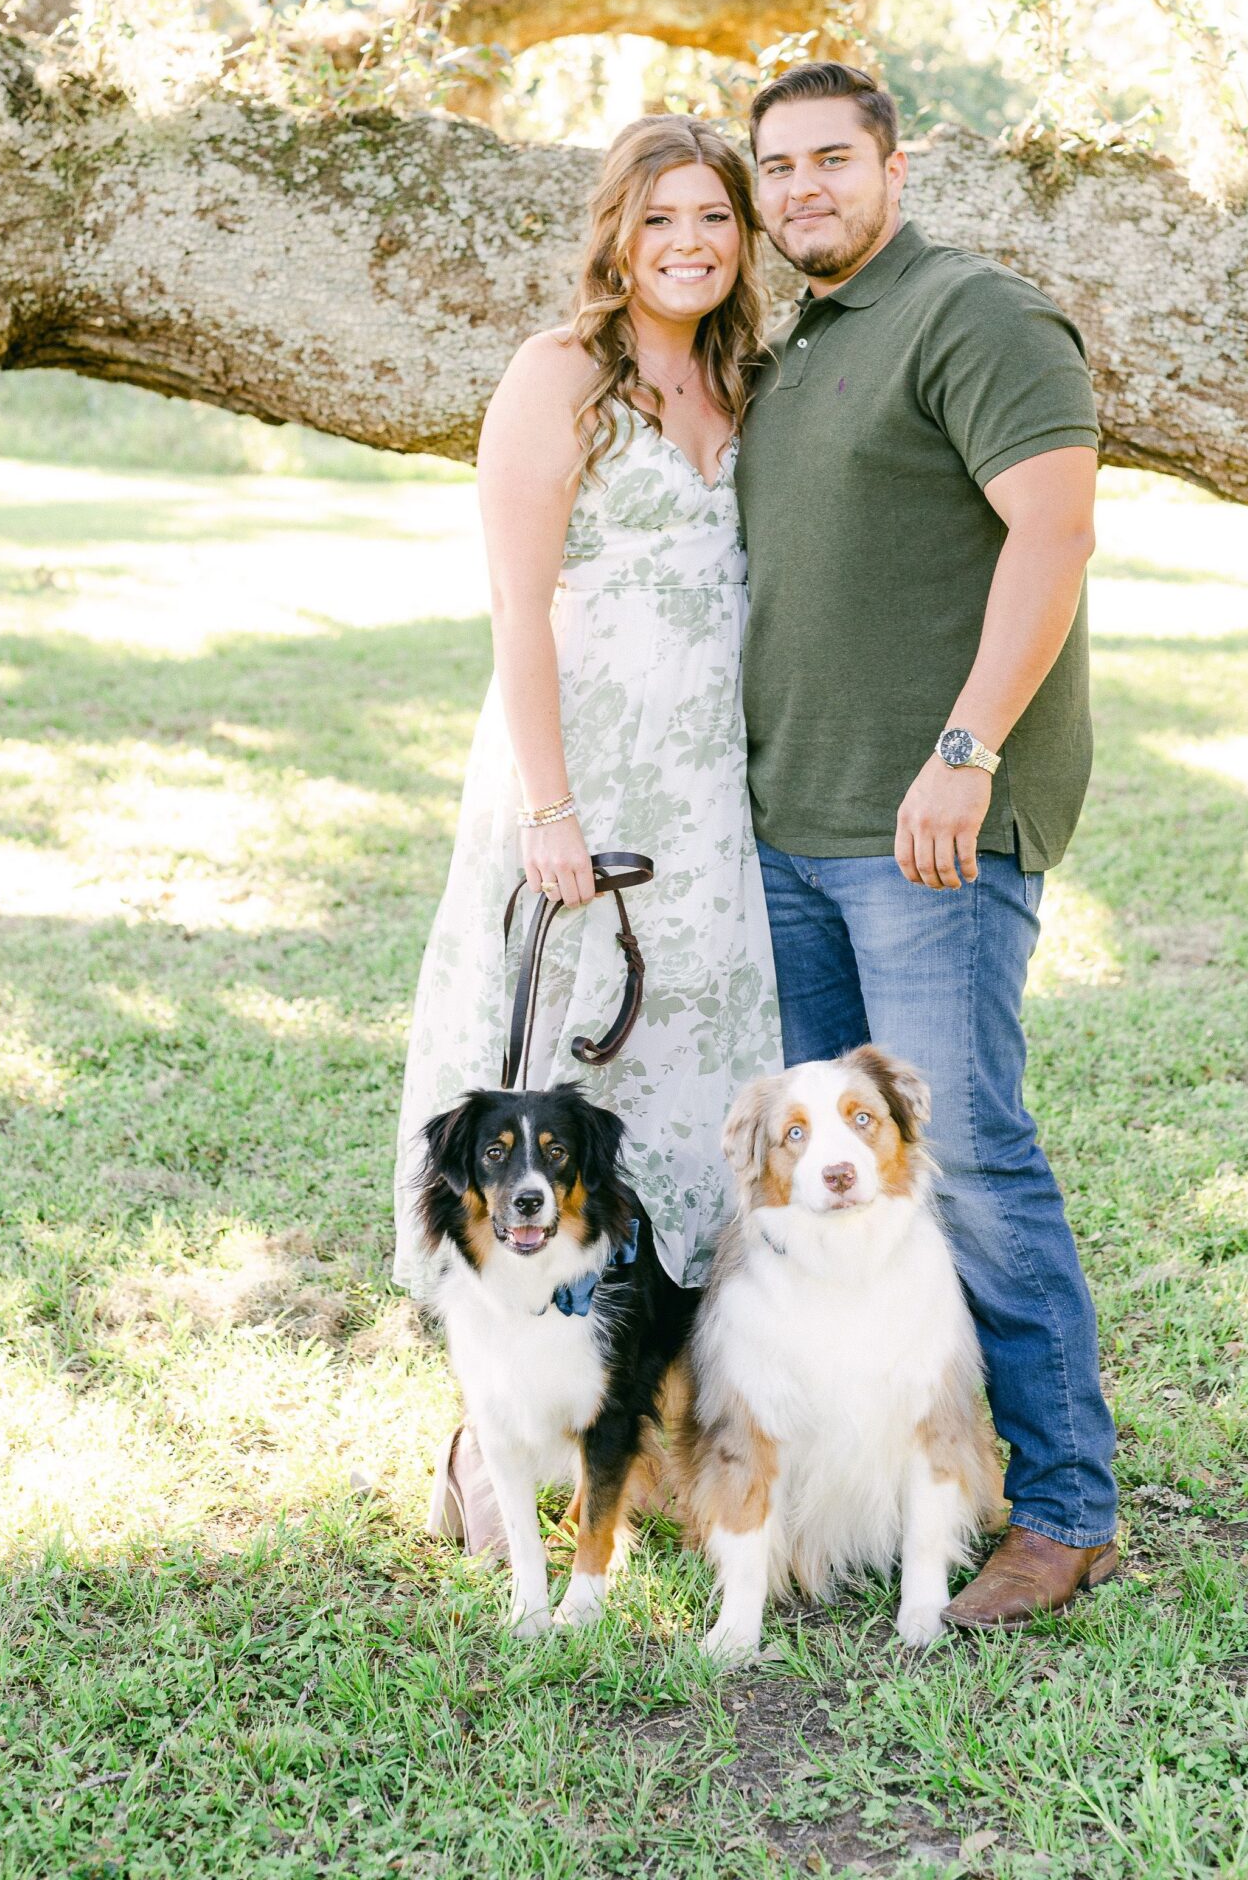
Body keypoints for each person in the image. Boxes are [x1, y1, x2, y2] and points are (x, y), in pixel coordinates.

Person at [736, 58, 1118, 1629]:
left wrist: (965, 755)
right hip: (791, 829)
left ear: (897, 165)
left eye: (833, 158)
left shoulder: (976, 315)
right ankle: (881, 1485)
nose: (804, 188)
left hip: (934, 834)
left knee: (969, 1172)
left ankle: (1070, 1510)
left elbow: (1058, 530)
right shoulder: (801, 342)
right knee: (844, 1187)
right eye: (780, 168)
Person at [393, 113, 785, 1543]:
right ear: (616, 232)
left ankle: (644, 1437)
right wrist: (550, 809)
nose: (689, 243)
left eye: (716, 220)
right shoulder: (560, 375)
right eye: (661, 217)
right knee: (542, 1096)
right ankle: (478, 1452)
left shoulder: (741, 377)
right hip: (583, 798)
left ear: (743, 244)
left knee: (677, 1106)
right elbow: (519, 603)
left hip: (709, 811)